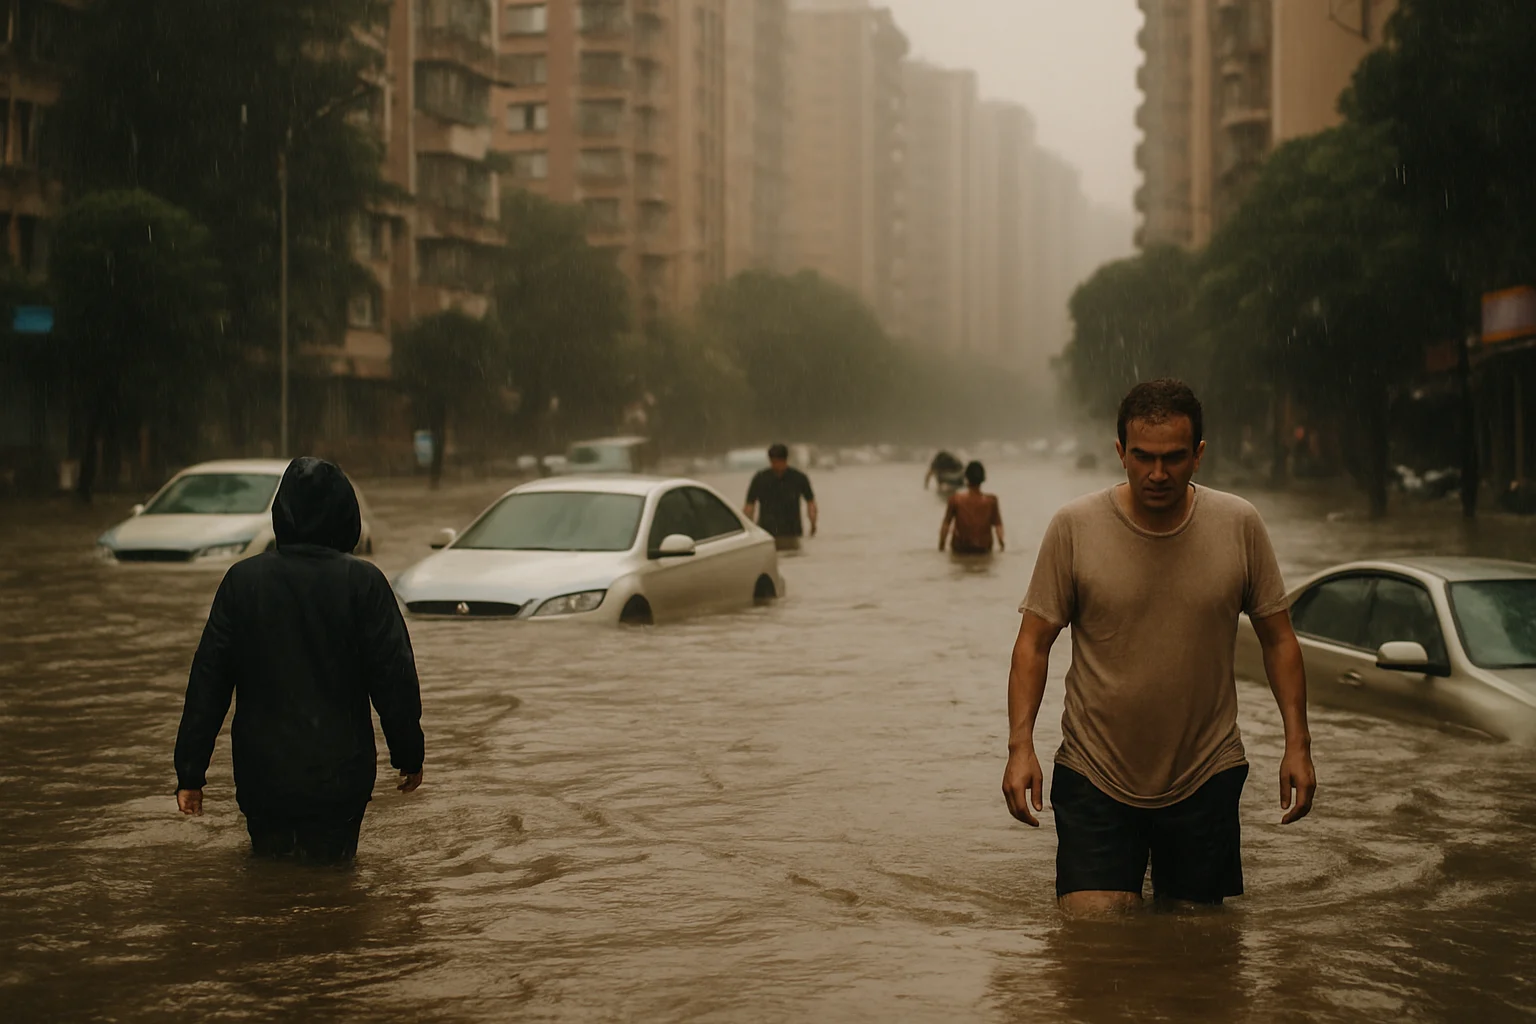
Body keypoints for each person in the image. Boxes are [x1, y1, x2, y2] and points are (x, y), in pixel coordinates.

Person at [1002, 379, 1315, 915]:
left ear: (1198, 455)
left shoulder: (1239, 524)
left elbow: (1279, 639)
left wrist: (1298, 744)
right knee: (1093, 932)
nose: (1157, 474)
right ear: (1120, 451)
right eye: (1142, 457)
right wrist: (1019, 748)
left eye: (1173, 458)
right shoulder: (1074, 527)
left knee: (1197, 944)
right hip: (1094, 766)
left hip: (1205, 768)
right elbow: (1033, 643)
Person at [173, 457, 425, 864]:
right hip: (339, 777)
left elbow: (208, 682)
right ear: (347, 515)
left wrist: (190, 773)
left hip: (262, 776)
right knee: (333, 895)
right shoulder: (363, 583)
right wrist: (409, 754)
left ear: (281, 513)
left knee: (270, 887)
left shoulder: (243, 581)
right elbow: (393, 678)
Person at [744, 443, 818, 551]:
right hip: (767, 533)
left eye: (777, 461)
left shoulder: (798, 478)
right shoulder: (760, 478)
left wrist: (813, 524)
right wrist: (748, 530)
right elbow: (749, 507)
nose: (775, 464)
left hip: (791, 533)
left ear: (785, 459)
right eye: (773, 461)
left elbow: (811, 503)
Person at [940, 460, 1005, 555]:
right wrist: (1002, 545)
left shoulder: (955, 499)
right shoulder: (991, 501)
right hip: (983, 550)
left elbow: (946, 525)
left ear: (966, 478)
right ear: (983, 478)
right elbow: (998, 526)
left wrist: (941, 546)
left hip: (961, 549)